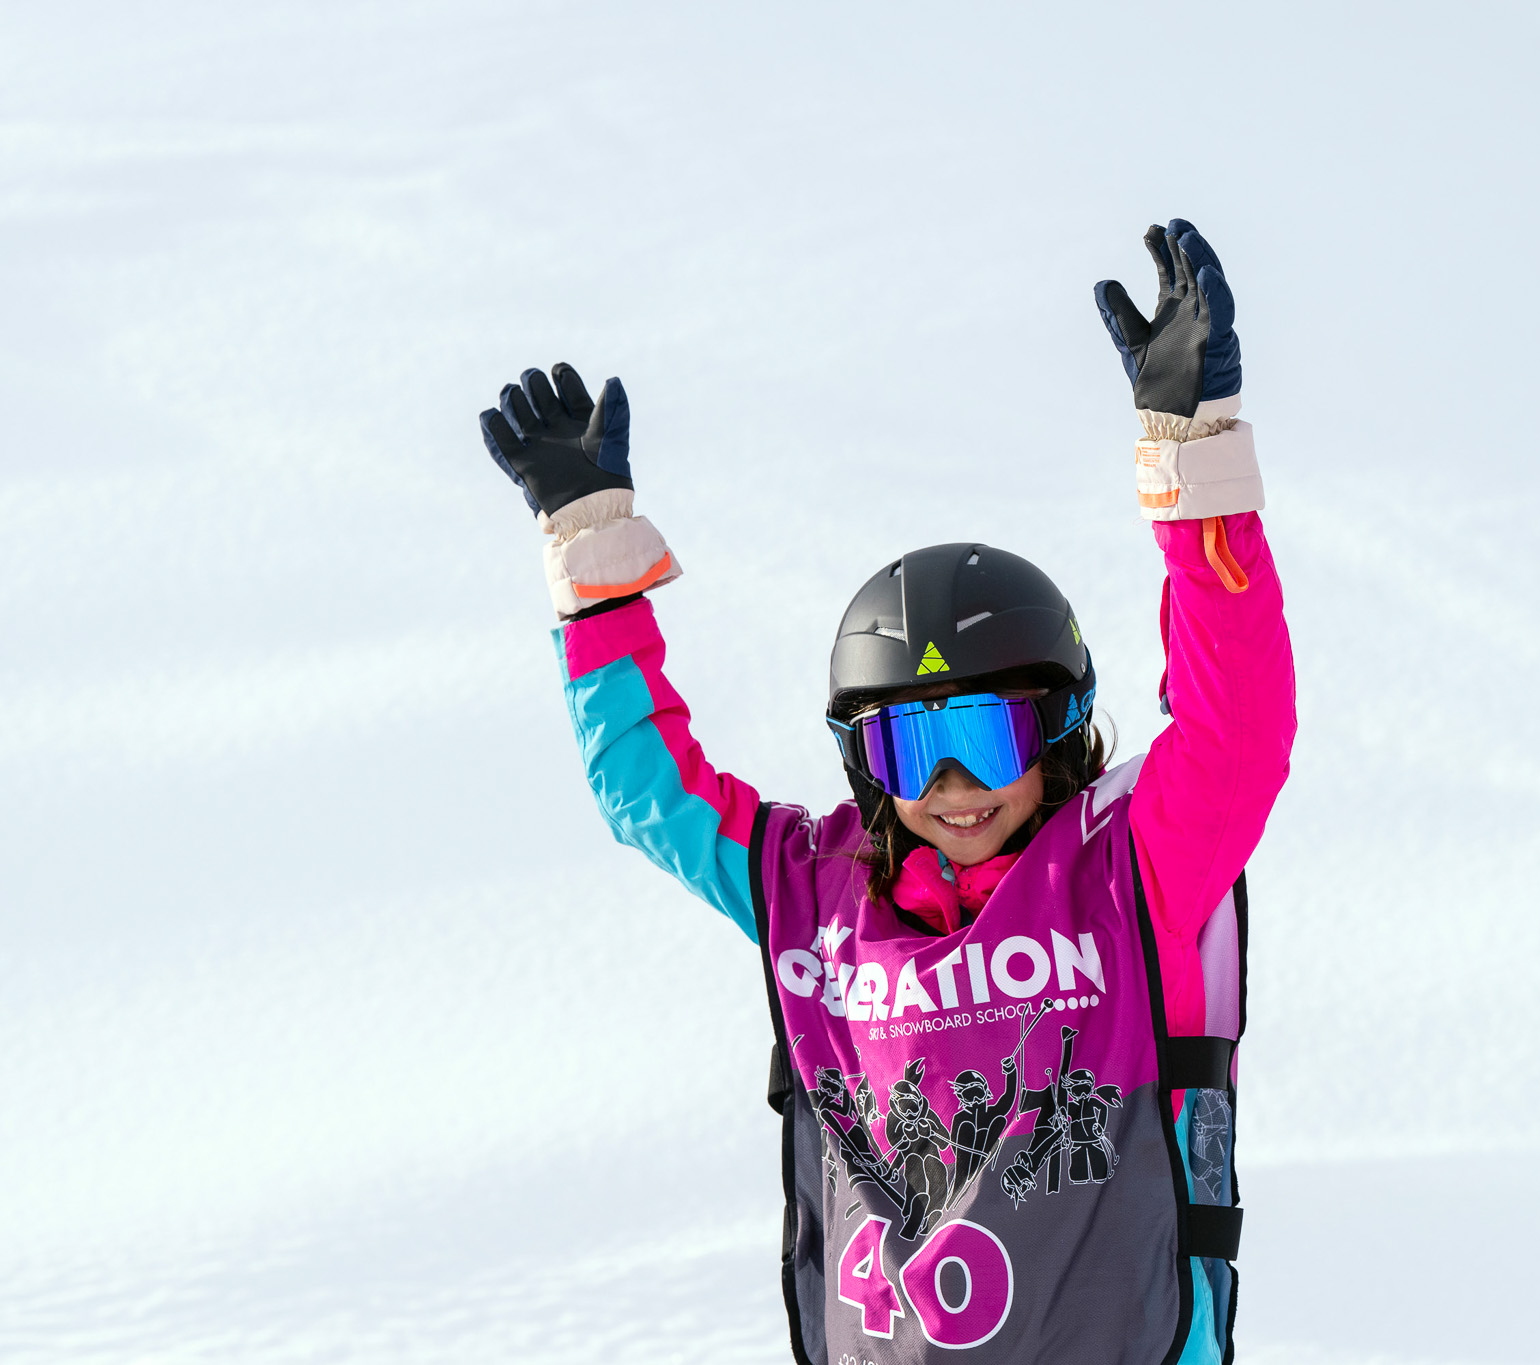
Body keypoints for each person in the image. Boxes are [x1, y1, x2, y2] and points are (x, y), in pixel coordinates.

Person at [479, 220, 1295, 1364]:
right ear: (869, 768)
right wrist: (593, 559)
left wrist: (1192, 453)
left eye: (986, 734)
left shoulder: (1123, 879)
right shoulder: (810, 898)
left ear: (1056, 731)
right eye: (914, 750)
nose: (955, 787)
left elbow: (1237, 726)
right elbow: (646, 789)